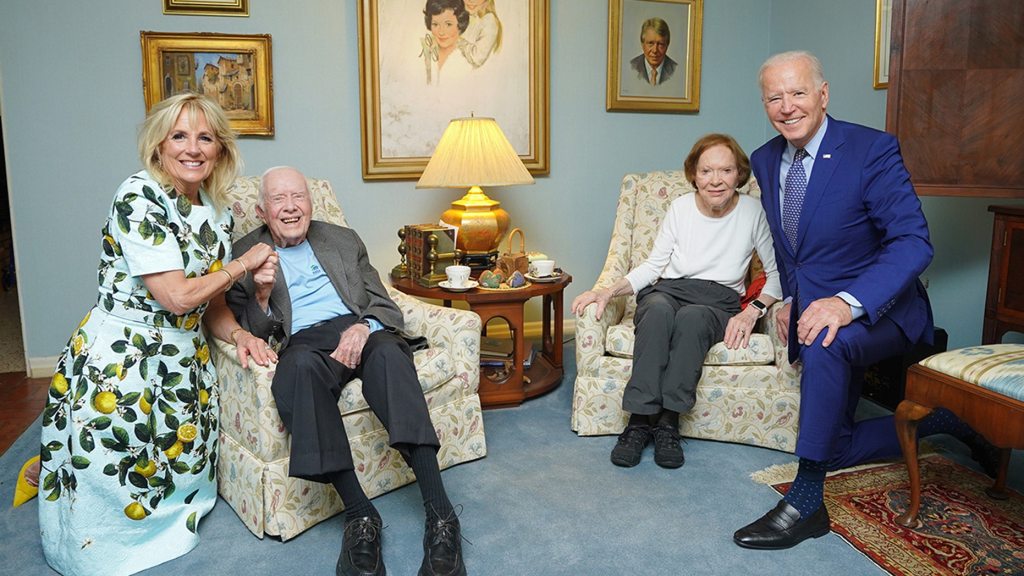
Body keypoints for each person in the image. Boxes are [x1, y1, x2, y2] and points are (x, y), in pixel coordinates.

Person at [733, 50, 999, 550]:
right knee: (833, 447)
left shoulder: (871, 150)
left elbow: (914, 241)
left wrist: (846, 302)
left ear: (823, 94)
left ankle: (806, 503)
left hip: (883, 310)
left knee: (826, 343)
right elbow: (793, 249)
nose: (786, 106)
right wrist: (788, 298)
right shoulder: (765, 160)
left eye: (798, 93)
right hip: (815, 311)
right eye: (774, 96)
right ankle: (940, 421)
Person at [37, 93, 277, 576]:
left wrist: (239, 337)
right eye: (180, 136)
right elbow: (177, 297)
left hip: (183, 361)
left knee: (173, 464)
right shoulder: (137, 195)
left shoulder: (218, 210)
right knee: (110, 462)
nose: (193, 148)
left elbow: (209, 308)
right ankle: (92, 551)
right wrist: (243, 264)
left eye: (205, 137)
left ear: (220, 151)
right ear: (159, 145)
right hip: (122, 358)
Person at [225, 166, 466, 576]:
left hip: (360, 329)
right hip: (303, 343)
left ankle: (442, 516)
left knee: (391, 356)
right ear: (263, 211)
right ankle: (360, 516)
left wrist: (363, 326)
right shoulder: (245, 254)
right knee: (297, 369)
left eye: (297, 197)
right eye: (279, 200)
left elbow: (384, 303)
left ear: (310, 202)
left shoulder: (341, 238)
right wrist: (262, 296)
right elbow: (255, 332)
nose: (290, 207)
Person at [572, 134, 782, 470]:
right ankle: (639, 421)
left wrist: (753, 311)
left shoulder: (753, 211)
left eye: (726, 171)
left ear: (739, 175)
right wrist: (608, 291)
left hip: (718, 299)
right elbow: (655, 265)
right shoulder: (681, 207)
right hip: (669, 288)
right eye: (706, 171)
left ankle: (669, 422)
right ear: (694, 175)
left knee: (693, 320)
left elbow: (776, 273)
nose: (715, 180)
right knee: (654, 311)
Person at [420, 0, 472, 85]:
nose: (441, 32)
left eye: (448, 24)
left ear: (460, 23)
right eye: (435, 24)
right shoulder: (426, 53)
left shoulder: (468, 58)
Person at [629, 18, 677, 86]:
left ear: (667, 45)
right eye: (650, 43)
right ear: (642, 44)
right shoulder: (631, 67)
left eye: (660, 44)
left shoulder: (676, 70)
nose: (655, 50)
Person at [459, 0, 502, 68]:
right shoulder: (465, 17)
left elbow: (477, 58)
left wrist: (456, 40)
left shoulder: (489, 20)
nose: (471, 1)